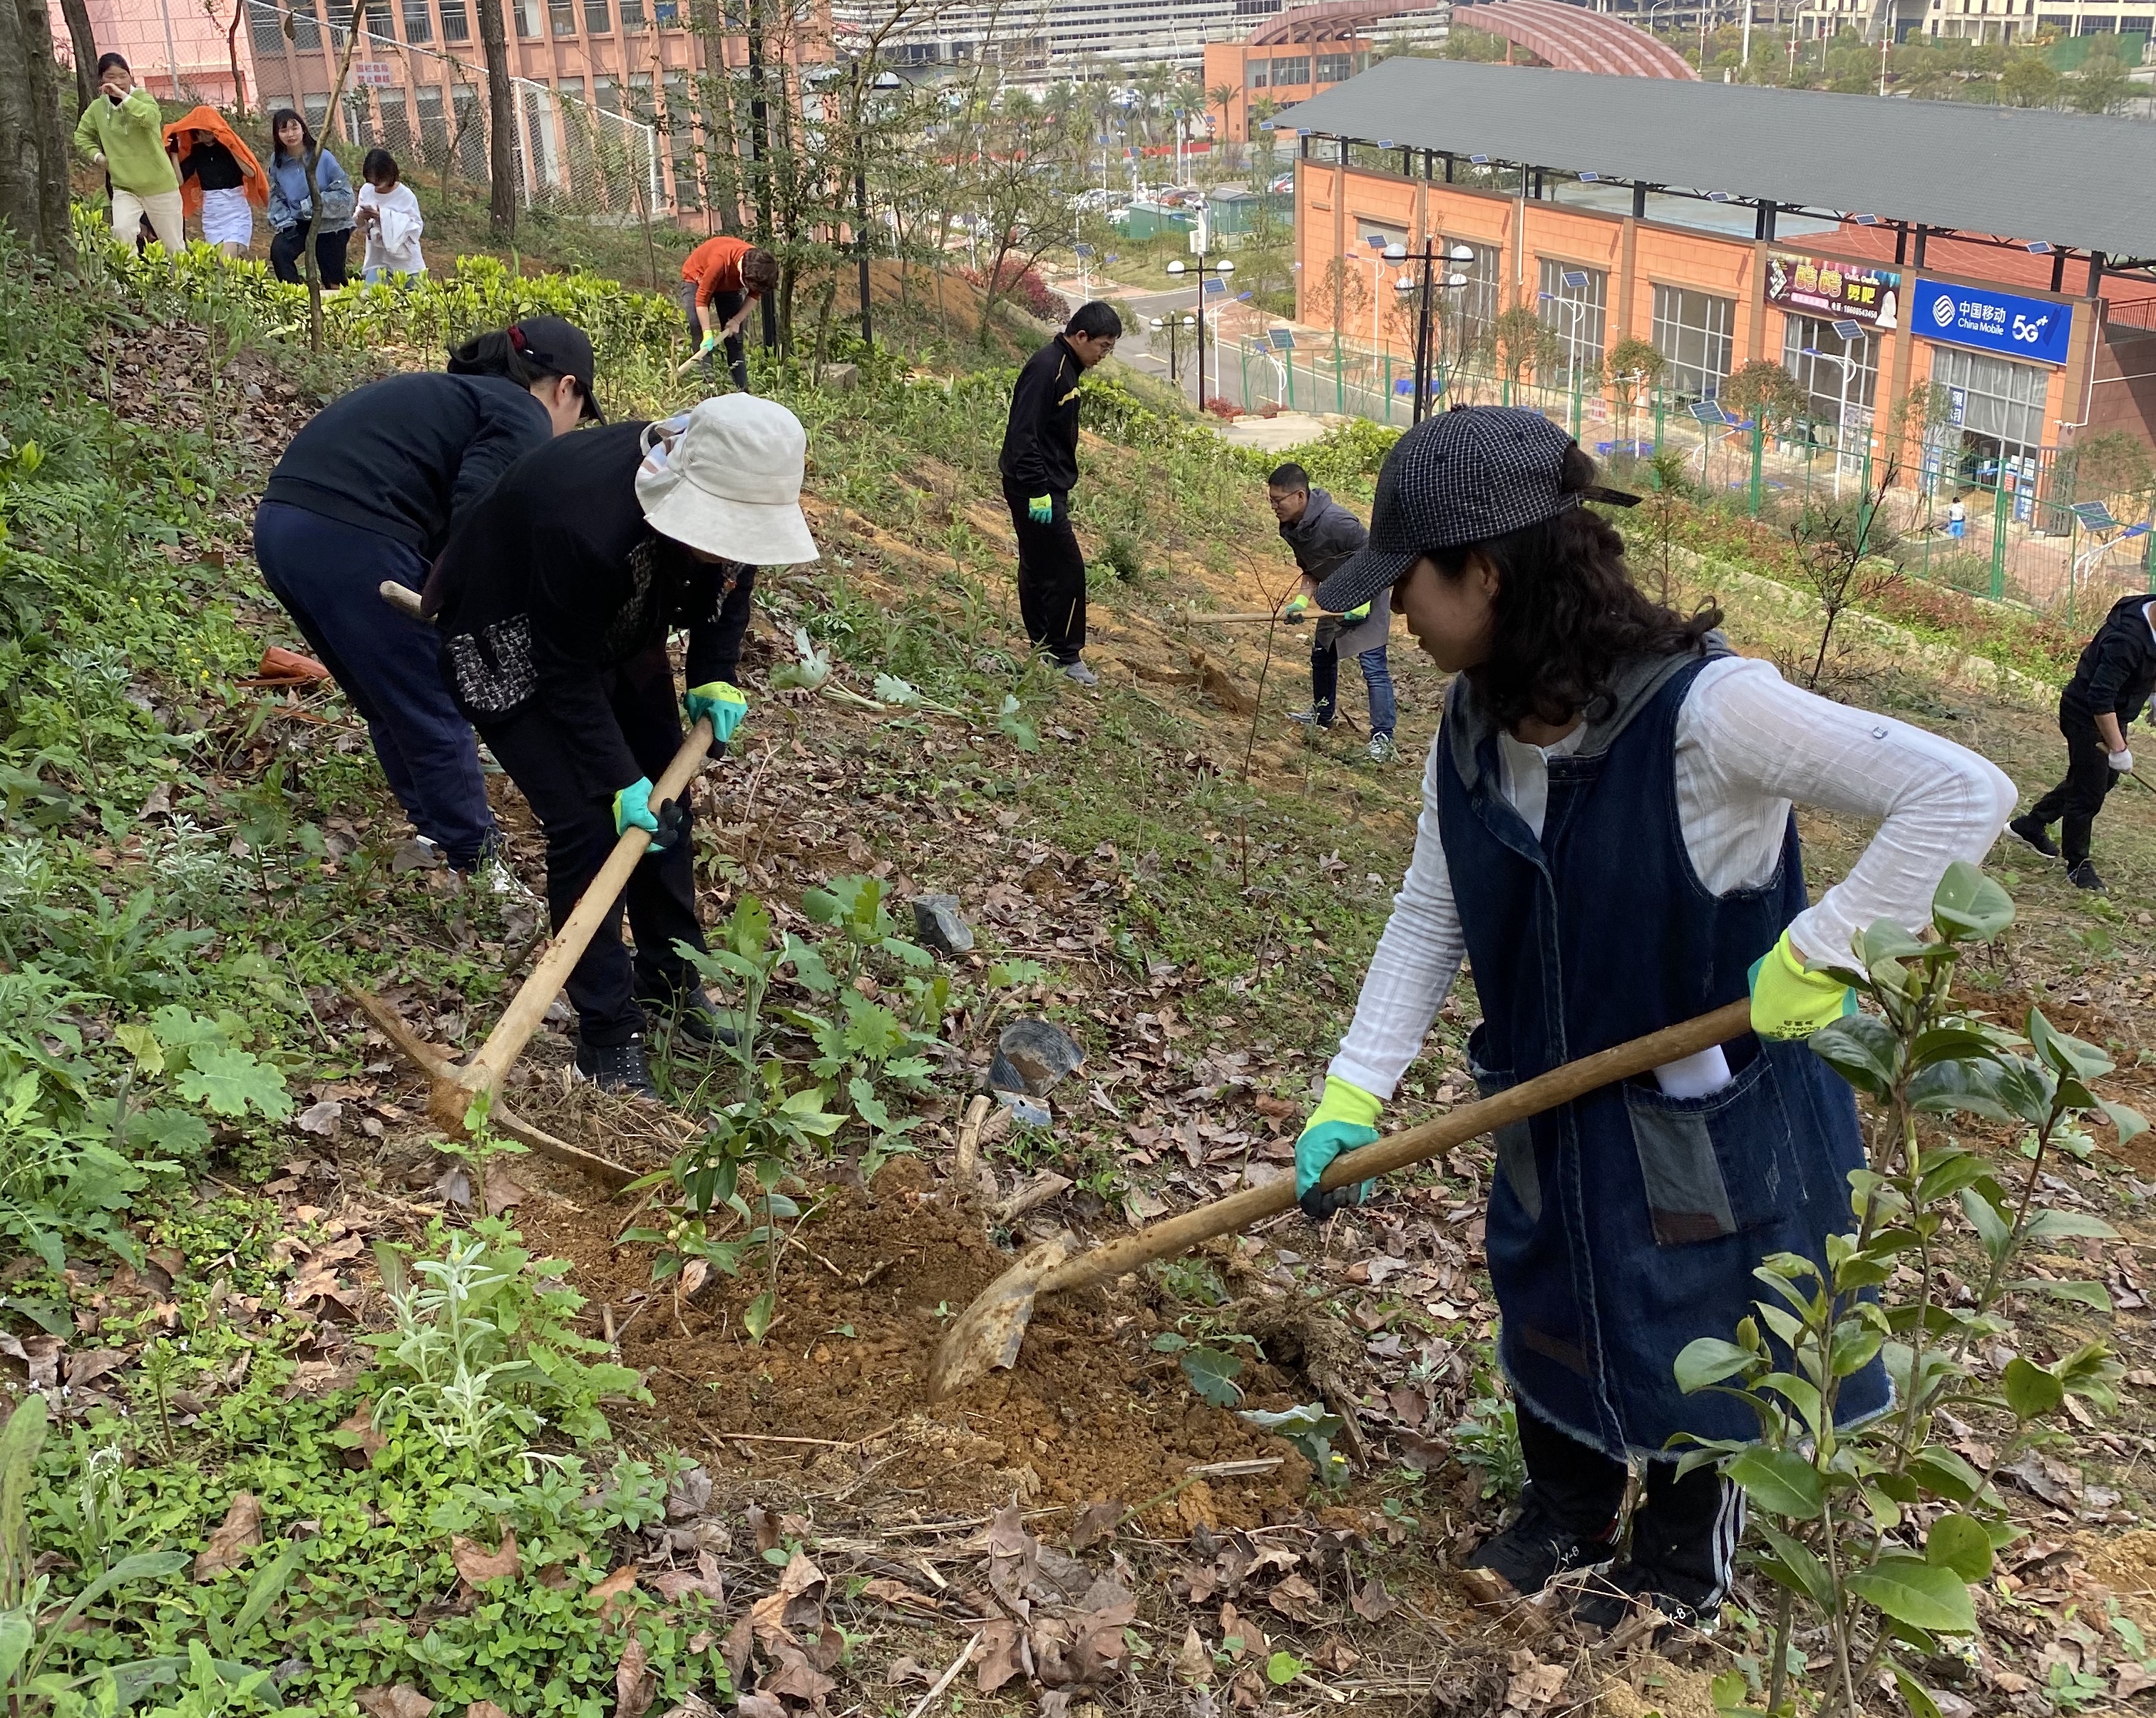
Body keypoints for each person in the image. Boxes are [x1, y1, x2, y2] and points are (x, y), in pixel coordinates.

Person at [1290, 407, 2014, 1635]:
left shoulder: (1708, 713)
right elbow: (1431, 912)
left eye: (1406, 582)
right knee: (1551, 1288)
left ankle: (1679, 1559)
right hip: (1548, 1089)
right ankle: (1564, 1507)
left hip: (1705, 1115)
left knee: (1702, 1316)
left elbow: (1960, 792)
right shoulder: (1467, 726)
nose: (1392, 612)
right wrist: (1351, 1089)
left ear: (1488, 572)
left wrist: (1824, 950)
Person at [427, 395, 817, 1096]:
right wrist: (615, 779)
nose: (731, 545)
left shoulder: (737, 503)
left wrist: (713, 680)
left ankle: (670, 981)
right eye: (722, 528)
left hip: (612, 631)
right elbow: (563, 668)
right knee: (587, 821)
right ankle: (607, 1034)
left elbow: (730, 586)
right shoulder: (583, 518)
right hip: (509, 633)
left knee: (668, 804)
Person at [254, 318, 602, 886]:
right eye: (579, 416)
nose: (568, 431)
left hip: (282, 526)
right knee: (432, 700)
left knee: (389, 699)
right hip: (352, 534)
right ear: (565, 388)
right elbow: (478, 515)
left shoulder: (459, 396)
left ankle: (438, 834)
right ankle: (477, 864)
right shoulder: (524, 414)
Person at [1000, 300, 1122, 687]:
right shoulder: (1047, 369)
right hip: (1036, 489)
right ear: (1081, 336)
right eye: (1103, 346)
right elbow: (1023, 435)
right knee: (1067, 570)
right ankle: (1066, 656)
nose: (1104, 355)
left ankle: (1043, 648)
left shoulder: (1067, 367)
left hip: (1044, 485)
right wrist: (1038, 491)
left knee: (1038, 566)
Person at [2009, 590, 2156, 892]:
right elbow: (2100, 698)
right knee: (2089, 792)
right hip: (2086, 714)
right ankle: (2077, 865)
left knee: (2102, 780)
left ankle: (2032, 824)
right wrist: (2118, 747)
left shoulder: (2147, 605)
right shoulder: (2127, 640)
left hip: (2117, 713)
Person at [1268, 461, 1396, 764]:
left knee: (1373, 667)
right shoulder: (1291, 528)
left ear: (1300, 496)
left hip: (1368, 594)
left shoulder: (1338, 521)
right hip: (1334, 596)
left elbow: (1373, 554)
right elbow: (1311, 569)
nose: (1274, 506)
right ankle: (1323, 714)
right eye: (1271, 500)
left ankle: (1383, 737)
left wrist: (1361, 600)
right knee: (1322, 656)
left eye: (1278, 500)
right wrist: (1301, 603)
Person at [73, 55, 185, 252]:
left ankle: (180, 282)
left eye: (123, 76)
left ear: (130, 77)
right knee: (122, 232)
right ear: (101, 79)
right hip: (124, 187)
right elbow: (81, 136)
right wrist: (99, 158)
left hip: (160, 185)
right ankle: (130, 282)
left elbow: (151, 118)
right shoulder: (97, 108)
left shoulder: (143, 99)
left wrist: (125, 97)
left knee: (173, 245)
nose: (117, 82)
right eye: (111, 77)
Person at [266, 108, 356, 287]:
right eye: (283, 130)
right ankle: (296, 296)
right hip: (298, 222)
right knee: (280, 251)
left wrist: (312, 205)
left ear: (303, 129)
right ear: (277, 135)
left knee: (332, 277)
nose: (290, 134)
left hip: (331, 222)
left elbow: (346, 194)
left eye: (294, 128)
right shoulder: (277, 161)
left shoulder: (323, 157)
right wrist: (284, 220)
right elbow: (277, 194)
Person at [678, 236, 780, 392]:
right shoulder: (719, 261)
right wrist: (707, 333)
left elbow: (754, 295)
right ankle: (708, 387)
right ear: (743, 276)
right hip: (697, 277)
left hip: (728, 286)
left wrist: (737, 320)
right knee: (697, 326)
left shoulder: (759, 266)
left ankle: (743, 390)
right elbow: (701, 299)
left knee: (735, 339)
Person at [164, 106, 265, 258]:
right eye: (201, 131)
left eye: (209, 131)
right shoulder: (197, 151)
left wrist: (231, 145)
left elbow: (250, 172)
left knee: (225, 259)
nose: (206, 135)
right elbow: (178, 181)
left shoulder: (228, 148)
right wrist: (174, 155)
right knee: (218, 266)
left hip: (235, 211)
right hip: (212, 214)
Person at [355, 148, 426, 285]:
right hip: (378, 260)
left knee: (413, 302)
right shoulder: (366, 190)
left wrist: (384, 217)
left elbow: (415, 229)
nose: (376, 185)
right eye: (373, 182)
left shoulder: (406, 195)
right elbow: (360, 224)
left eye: (379, 180)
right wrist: (362, 216)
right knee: (370, 298)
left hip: (406, 262)